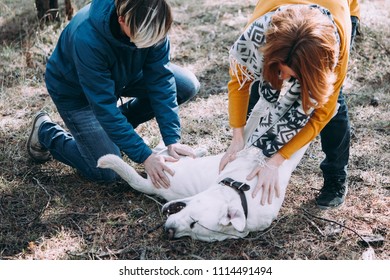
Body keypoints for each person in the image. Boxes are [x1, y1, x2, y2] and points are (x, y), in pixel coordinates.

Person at [26, 0, 200, 188]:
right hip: (77, 93)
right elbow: (104, 107)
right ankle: (45, 132)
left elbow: (161, 80)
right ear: (122, 20)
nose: (148, 45)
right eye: (143, 41)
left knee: (185, 86)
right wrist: (145, 156)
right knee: (106, 170)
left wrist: (172, 139)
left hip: (125, 75)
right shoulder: (87, 38)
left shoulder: (153, 20)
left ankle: (114, 130)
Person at [219, 0, 360, 209]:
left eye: (290, 75)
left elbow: (322, 114)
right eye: (279, 69)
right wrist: (237, 137)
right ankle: (248, 155)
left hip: (335, 15)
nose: (283, 78)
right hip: (279, 20)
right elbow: (239, 83)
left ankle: (335, 177)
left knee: (332, 103)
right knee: (260, 87)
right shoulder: (257, 34)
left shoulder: (333, 51)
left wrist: (276, 160)